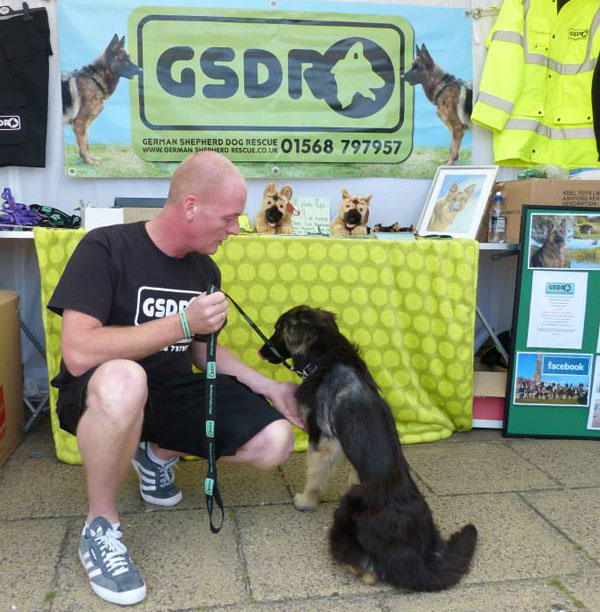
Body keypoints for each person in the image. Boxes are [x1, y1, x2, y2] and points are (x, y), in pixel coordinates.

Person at [48, 151, 302, 606]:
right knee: (126, 379)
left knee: (276, 441)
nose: (236, 229)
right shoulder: (104, 247)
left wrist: (269, 385)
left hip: (167, 392)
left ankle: (156, 456)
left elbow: (204, 351)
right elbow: (79, 351)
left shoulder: (204, 268)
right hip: (97, 394)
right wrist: (181, 324)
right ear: (190, 206)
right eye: (228, 218)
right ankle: (100, 527)